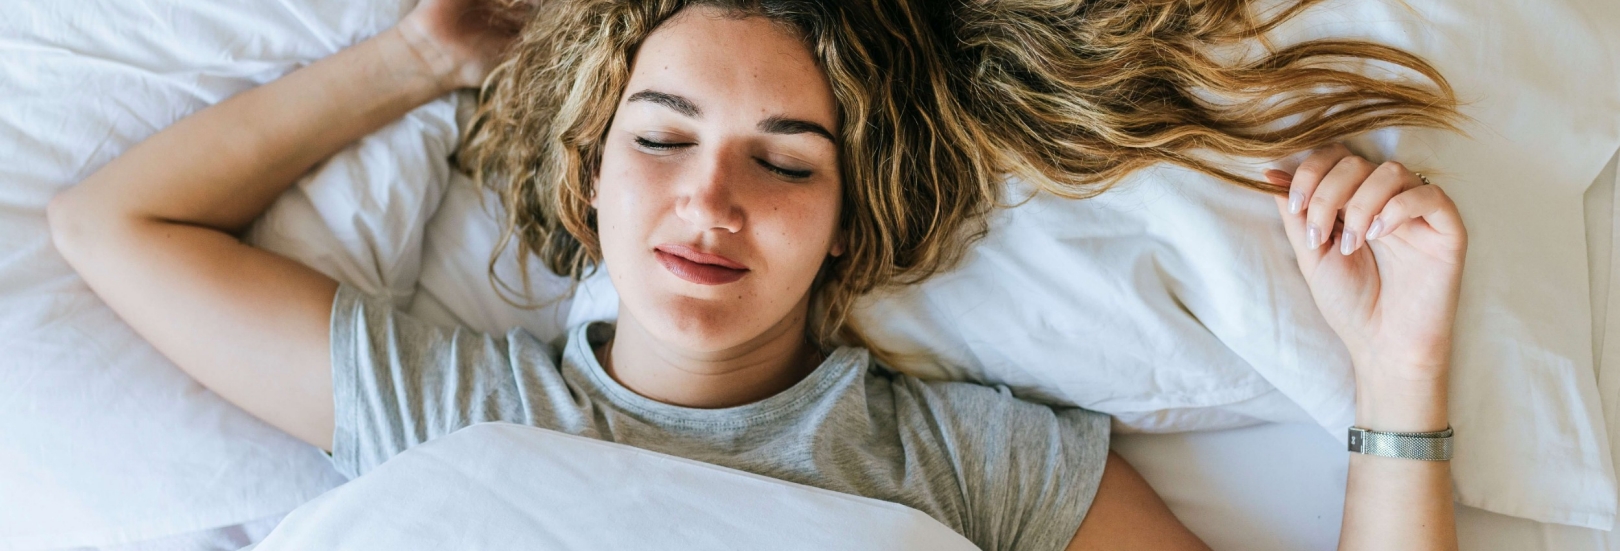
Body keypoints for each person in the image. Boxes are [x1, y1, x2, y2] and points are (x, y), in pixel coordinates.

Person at [46, 0, 1466, 549]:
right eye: (660, 141)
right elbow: (111, 230)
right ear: (589, 173)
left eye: (784, 161)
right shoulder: (452, 406)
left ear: (845, 223)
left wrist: (1398, 370)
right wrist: (420, 59)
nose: (708, 201)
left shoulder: (973, 457)